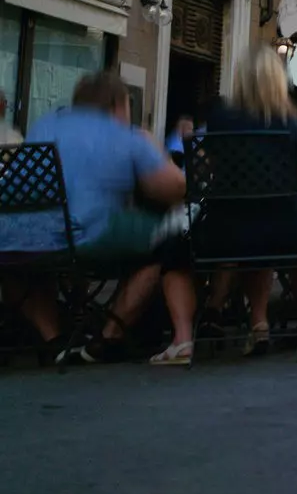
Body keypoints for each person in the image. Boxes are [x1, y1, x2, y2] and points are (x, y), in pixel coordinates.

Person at [8, 73, 195, 366]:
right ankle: (109, 338)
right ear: (117, 106)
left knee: (20, 267)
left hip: (19, 238)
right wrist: (160, 153)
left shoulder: (45, 124)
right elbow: (172, 188)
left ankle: (53, 340)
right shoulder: (125, 134)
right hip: (85, 234)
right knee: (165, 241)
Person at [198, 51, 297, 357]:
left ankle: (213, 308)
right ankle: (259, 322)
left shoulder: (221, 119)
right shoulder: (294, 125)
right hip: (283, 230)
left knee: (243, 220)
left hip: (225, 230)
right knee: (264, 222)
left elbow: (207, 168)